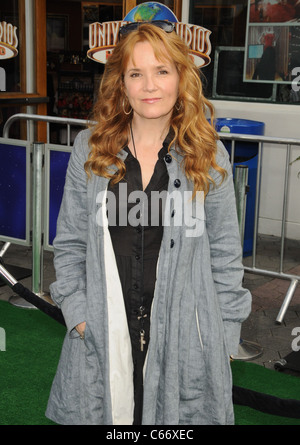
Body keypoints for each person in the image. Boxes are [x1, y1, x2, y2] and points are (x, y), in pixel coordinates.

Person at [46, 21, 251, 425]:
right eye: (136, 73)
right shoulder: (91, 150)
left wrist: (224, 335)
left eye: (161, 71)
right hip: (105, 331)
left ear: (181, 77)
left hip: (184, 339)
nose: (149, 85)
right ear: (121, 84)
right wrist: (80, 315)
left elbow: (226, 255)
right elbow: (70, 243)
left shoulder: (209, 156)